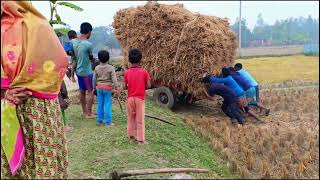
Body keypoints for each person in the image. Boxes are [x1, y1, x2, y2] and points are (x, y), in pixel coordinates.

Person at [1, 1, 69, 178]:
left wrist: (7, 92)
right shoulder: (39, 24)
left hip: (17, 109)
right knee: (44, 165)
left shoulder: (37, 24)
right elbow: (59, 62)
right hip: (40, 113)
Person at [123, 48, 151, 145]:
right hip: (140, 99)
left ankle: (131, 136)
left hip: (130, 99)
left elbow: (124, 86)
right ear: (141, 59)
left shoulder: (126, 72)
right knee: (140, 120)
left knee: (131, 117)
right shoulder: (144, 72)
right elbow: (149, 85)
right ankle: (141, 140)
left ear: (129, 60)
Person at [72, 22, 95, 118]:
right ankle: (89, 113)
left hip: (78, 71)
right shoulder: (88, 44)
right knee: (90, 91)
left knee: (81, 91)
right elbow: (90, 58)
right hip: (86, 72)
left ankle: (84, 111)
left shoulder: (74, 42)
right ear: (89, 32)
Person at [93, 50, 119, 126]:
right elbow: (114, 79)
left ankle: (99, 120)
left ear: (99, 58)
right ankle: (108, 122)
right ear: (108, 58)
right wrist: (116, 87)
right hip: (107, 88)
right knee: (107, 104)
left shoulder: (97, 68)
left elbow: (94, 79)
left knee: (100, 104)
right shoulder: (111, 68)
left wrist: (94, 87)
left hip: (99, 88)